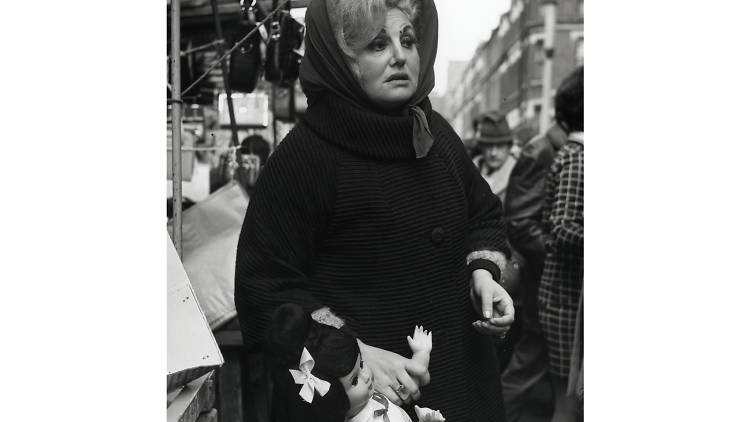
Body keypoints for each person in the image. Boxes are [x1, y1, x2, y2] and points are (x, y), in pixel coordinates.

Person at [234, 0, 515, 421]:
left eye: (407, 40)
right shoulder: (307, 156)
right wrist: (356, 355)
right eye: (377, 45)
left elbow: (483, 215)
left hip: (465, 384)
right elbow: (265, 289)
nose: (400, 56)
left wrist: (483, 275)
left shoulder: (435, 133)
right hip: (372, 406)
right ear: (342, 62)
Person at [263, 303, 442, 422]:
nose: (367, 375)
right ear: (330, 402)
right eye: (354, 380)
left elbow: (410, 379)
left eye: (362, 363)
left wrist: (421, 353)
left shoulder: (372, 397)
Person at [500, 123, 568, 422]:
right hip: (545, 286)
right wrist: (560, 252)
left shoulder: (556, 149)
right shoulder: (541, 151)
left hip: (555, 285)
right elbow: (521, 225)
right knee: (529, 365)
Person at [538, 66, 583, 422]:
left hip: (569, 299)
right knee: (568, 403)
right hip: (566, 302)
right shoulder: (577, 157)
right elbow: (563, 225)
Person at [471, 111, 519, 203]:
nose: (493, 153)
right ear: (481, 147)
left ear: (509, 147)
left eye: (500, 146)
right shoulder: (469, 172)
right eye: (488, 146)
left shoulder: (519, 175)